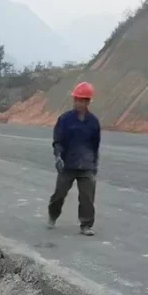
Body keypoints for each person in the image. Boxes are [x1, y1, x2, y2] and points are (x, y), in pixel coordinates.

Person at [48, 82, 101, 236]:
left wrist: (94, 164)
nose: (80, 103)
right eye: (78, 99)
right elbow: (57, 140)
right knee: (59, 195)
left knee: (87, 198)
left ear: (88, 102)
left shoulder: (93, 122)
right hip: (67, 165)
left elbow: (95, 144)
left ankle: (86, 225)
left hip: (86, 166)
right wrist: (58, 156)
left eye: (84, 100)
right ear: (74, 100)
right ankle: (53, 215)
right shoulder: (65, 119)